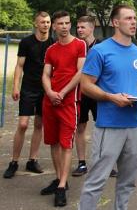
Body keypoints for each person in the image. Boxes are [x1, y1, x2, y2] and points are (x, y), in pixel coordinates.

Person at [79, 4, 137, 210]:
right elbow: (85, 86)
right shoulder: (100, 51)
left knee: (128, 182)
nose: (133, 22)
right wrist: (111, 97)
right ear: (115, 22)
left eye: (135, 18)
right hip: (109, 125)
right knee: (97, 181)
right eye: (128, 18)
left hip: (135, 125)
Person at [41, 11, 87, 207]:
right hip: (50, 101)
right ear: (54, 26)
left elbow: (80, 72)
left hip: (69, 103)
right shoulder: (51, 49)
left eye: (67, 23)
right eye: (60, 23)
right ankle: (61, 179)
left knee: (66, 144)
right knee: (53, 143)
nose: (65, 26)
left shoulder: (79, 45)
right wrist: (51, 93)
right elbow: (45, 74)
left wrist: (63, 92)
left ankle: (61, 187)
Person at [3, 11, 53, 179]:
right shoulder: (26, 42)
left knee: (39, 124)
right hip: (28, 88)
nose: (46, 25)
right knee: (23, 124)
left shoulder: (53, 43)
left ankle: (32, 160)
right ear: (36, 24)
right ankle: (14, 162)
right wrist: (15, 87)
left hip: (45, 89)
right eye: (43, 22)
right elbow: (19, 66)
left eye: (48, 22)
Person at [71, 16, 117, 178]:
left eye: (83, 27)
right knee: (80, 127)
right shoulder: (75, 46)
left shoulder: (102, 47)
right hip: (81, 94)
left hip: (98, 94)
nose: (79, 30)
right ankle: (82, 163)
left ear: (91, 28)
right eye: (78, 27)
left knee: (104, 128)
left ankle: (106, 163)